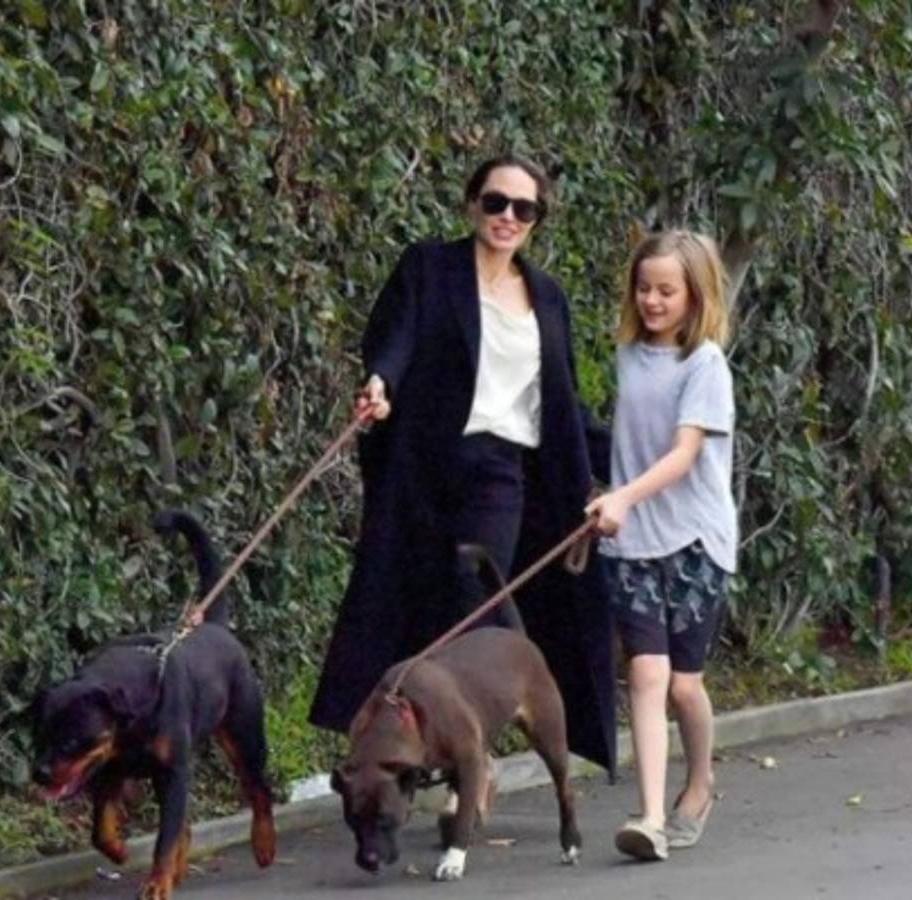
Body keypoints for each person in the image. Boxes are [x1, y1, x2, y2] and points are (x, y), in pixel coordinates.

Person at [308, 155, 617, 774]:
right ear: (473, 203)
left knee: (473, 600)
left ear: (537, 219)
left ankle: (468, 753)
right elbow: (395, 339)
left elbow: (561, 399)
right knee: (410, 602)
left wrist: (635, 463)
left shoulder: (546, 297)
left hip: (499, 474)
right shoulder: (430, 267)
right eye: (496, 202)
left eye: (524, 209)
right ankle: (396, 750)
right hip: (423, 467)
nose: (508, 217)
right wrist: (381, 382)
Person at [585, 229, 736, 861]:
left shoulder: (704, 364)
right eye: (644, 288)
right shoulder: (626, 355)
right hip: (633, 541)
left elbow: (683, 454)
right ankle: (649, 817)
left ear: (695, 295)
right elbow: (623, 441)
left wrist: (623, 495)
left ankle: (699, 785)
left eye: (666, 291)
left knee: (683, 687)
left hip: (696, 539)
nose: (652, 300)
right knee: (647, 672)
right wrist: (606, 496)